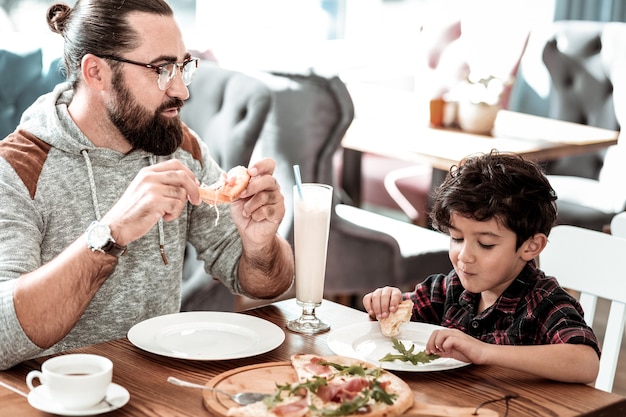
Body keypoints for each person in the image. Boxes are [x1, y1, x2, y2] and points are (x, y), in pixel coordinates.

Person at [0, 0, 294, 370]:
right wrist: (110, 233)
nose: (182, 91)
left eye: (183, 66)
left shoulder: (180, 147)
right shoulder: (15, 169)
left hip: (159, 386)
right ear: (96, 73)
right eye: (162, 69)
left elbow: (265, 284)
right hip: (50, 396)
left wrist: (260, 242)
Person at [363, 151, 600, 384]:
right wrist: (385, 304)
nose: (465, 256)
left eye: (485, 244)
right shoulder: (450, 288)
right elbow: (400, 320)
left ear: (531, 246)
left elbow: (586, 363)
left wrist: (484, 352)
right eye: (456, 238)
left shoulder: (544, 302)